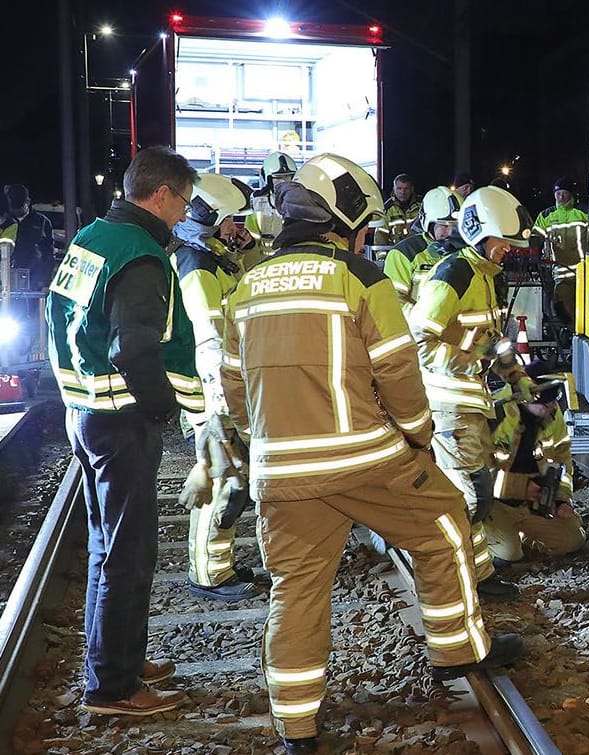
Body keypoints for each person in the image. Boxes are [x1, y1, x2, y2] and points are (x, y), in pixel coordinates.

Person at [219, 153, 523, 754]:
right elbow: (399, 374)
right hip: (365, 460)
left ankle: (297, 728)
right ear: (346, 216)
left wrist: (269, 447)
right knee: (444, 525)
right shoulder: (360, 277)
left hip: (281, 472)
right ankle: (458, 651)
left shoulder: (247, 286)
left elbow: (234, 388)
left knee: (296, 588)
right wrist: (415, 438)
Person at [45, 146, 204, 716]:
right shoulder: (140, 255)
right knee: (129, 555)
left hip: (83, 413)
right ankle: (114, 688)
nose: (184, 215)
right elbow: (132, 346)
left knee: (104, 548)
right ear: (160, 194)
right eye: (182, 202)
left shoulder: (92, 237)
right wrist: (163, 408)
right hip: (119, 421)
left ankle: (117, 662)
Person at [409, 185, 537, 602]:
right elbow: (420, 342)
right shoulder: (454, 275)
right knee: (472, 496)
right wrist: (475, 362)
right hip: (450, 405)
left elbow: (488, 341)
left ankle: (477, 575)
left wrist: (519, 380)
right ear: (480, 235)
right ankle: (449, 577)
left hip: (470, 404)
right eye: (504, 242)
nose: (508, 250)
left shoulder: (484, 277)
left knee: (476, 496)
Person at [170, 172, 270, 602]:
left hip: (223, 388)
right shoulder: (196, 265)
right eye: (231, 221)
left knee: (234, 479)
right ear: (205, 217)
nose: (237, 228)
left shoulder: (210, 257)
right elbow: (209, 341)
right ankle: (209, 575)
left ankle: (218, 564)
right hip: (211, 394)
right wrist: (219, 410)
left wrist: (249, 250)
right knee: (223, 480)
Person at [486, 368, 585, 566]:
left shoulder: (553, 418)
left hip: (533, 504)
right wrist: (521, 487)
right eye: (546, 404)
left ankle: (523, 534)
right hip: (495, 505)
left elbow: (563, 462)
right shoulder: (493, 418)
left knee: (572, 540)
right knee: (508, 555)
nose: (553, 407)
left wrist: (561, 499)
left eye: (554, 400)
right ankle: (490, 541)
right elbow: (477, 477)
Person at [382, 186, 462, 314]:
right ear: (428, 223)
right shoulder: (404, 254)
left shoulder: (466, 252)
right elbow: (394, 301)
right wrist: (423, 321)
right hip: (422, 331)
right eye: (444, 225)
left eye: (455, 225)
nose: (450, 232)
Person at [533, 177, 589, 325]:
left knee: (586, 310)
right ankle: (570, 336)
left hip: (585, 274)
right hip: (560, 275)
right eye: (558, 193)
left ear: (571, 194)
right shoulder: (546, 216)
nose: (561, 196)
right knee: (564, 311)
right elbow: (534, 239)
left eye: (564, 192)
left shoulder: (584, 213)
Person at [244, 150, 298, 266]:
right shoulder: (258, 203)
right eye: (278, 178)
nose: (284, 182)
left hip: (292, 263)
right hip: (265, 265)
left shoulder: (303, 201)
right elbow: (250, 241)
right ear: (267, 179)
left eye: (288, 177)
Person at [1, 183, 56, 288]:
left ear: (28, 202)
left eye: (20, 206)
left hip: (34, 280)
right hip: (7, 280)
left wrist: (46, 282)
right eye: (13, 207)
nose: (16, 211)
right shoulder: (5, 222)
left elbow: (48, 254)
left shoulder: (42, 222)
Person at [375, 173, 422, 248]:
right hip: (394, 254)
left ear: (412, 189)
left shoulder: (422, 206)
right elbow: (380, 235)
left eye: (406, 188)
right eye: (399, 188)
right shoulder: (387, 209)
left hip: (418, 253)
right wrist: (382, 258)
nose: (402, 192)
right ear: (394, 189)